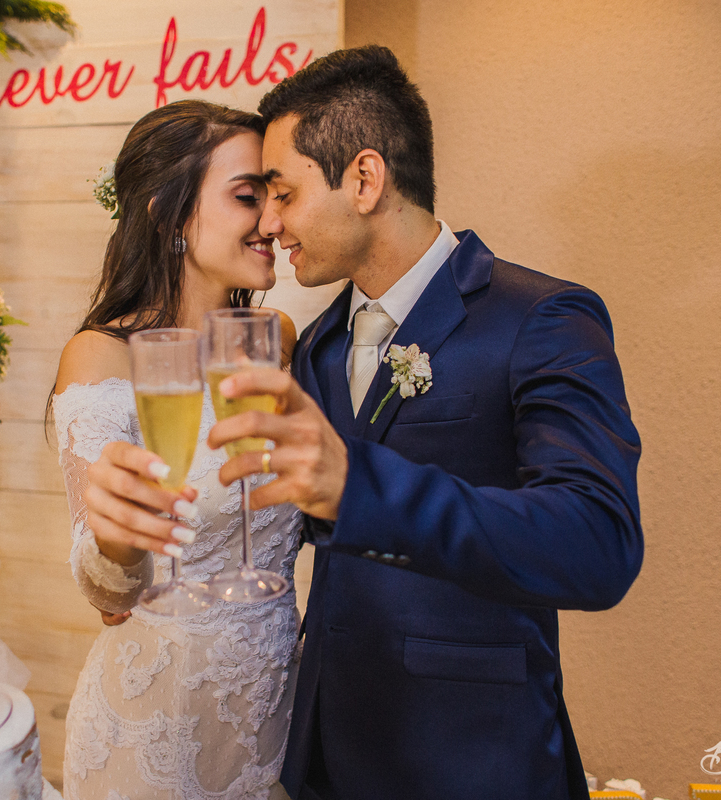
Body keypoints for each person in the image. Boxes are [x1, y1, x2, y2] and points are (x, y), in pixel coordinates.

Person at [204, 46, 644, 799]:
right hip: (326, 752)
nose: (270, 223)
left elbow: (597, 540)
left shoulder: (540, 318)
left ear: (365, 179)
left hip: (473, 756)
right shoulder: (320, 345)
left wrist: (361, 486)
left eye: (283, 194)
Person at [52, 99, 301, 800]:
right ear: (168, 213)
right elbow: (105, 590)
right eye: (249, 196)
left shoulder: (274, 338)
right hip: (157, 724)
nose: (272, 222)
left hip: (276, 717)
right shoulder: (102, 356)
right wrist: (119, 540)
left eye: (277, 197)